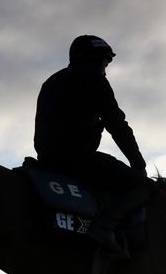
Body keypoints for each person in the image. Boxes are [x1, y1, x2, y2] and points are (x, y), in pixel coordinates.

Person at [33, 34, 153, 259]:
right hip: (77, 158)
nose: (105, 68)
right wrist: (138, 163)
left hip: (46, 157)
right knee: (144, 188)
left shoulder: (51, 81)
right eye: (105, 62)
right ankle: (104, 227)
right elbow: (116, 123)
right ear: (94, 58)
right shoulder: (92, 78)